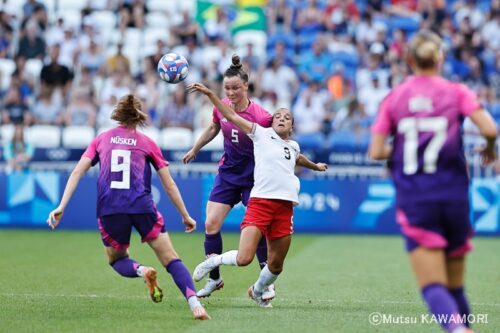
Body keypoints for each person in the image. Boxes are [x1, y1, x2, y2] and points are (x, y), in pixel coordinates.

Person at [369, 30, 497, 333]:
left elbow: (376, 151)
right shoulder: (457, 91)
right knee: (455, 287)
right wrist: (490, 151)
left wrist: (404, 148)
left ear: (409, 59)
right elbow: (490, 130)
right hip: (454, 197)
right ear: (440, 57)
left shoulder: (395, 97)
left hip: (417, 200)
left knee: (433, 287)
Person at [46, 94, 210, 320]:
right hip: (143, 207)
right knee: (171, 258)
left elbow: (77, 171)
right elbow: (169, 184)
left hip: (110, 209)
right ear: (139, 115)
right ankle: (195, 305)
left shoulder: (101, 139)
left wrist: (61, 206)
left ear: (118, 114)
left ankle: (142, 271)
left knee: (117, 259)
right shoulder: (148, 143)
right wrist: (185, 215)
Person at [182, 55, 325, 299]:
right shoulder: (222, 108)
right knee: (210, 224)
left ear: (246, 86)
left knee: (260, 229)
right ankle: (215, 279)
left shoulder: (262, 118)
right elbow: (215, 126)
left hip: (255, 178)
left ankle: (265, 284)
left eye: (236, 87)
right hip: (228, 173)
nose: (231, 92)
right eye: (227, 88)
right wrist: (196, 148)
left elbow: (285, 148)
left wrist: (311, 165)